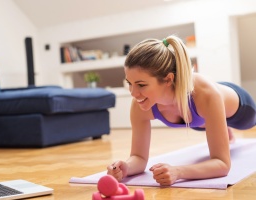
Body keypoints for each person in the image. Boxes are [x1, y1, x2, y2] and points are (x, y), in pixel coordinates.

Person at [106, 35, 256, 186]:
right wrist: (126, 167)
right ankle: (218, 125)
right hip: (198, 119)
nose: (133, 93)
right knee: (203, 121)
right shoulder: (140, 104)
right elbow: (138, 157)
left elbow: (222, 165)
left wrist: (178, 172)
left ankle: (222, 124)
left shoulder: (206, 95)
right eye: (129, 83)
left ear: (168, 79)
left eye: (141, 85)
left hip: (240, 109)